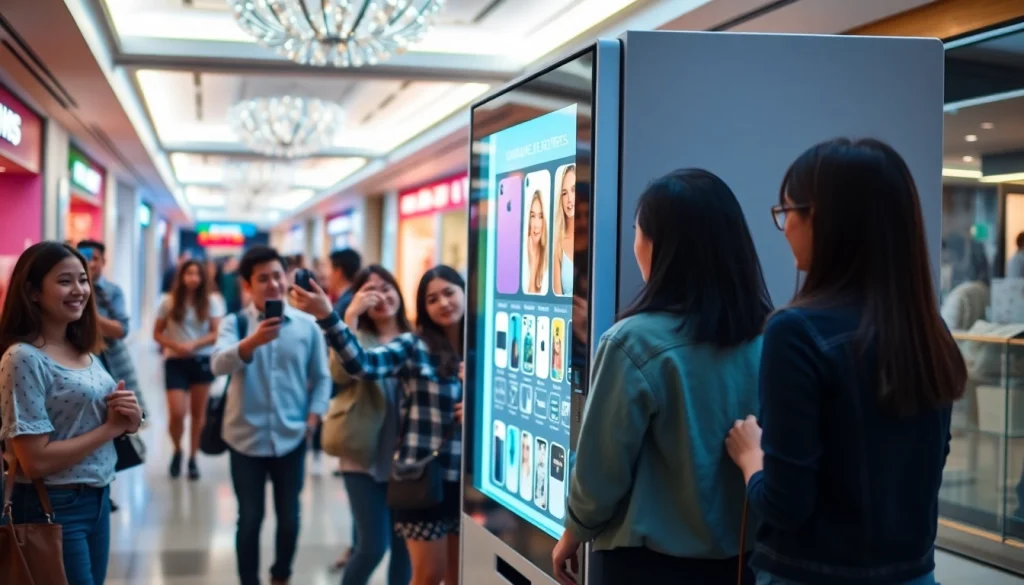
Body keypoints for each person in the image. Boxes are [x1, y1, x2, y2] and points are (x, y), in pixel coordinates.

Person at [725, 138, 967, 585]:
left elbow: (784, 503)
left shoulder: (795, 332)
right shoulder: (928, 330)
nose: (784, 229)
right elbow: (929, 462)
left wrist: (751, 456)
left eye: (787, 212)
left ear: (822, 218)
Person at [551, 169, 771, 585]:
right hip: (747, 561)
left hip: (648, 566)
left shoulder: (632, 343)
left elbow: (602, 471)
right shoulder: (770, 335)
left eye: (639, 230)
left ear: (660, 245)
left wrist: (574, 530)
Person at [290, 265, 464, 585]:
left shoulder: (485, 350)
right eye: (432, 298)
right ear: (424, 308)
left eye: (449, 293)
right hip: (419, 474)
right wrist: (332, 316)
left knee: (456, 576)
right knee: (425, 573)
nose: (443, 303)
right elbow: (360, 365)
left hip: (464, 481)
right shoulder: (414, 345)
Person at [0, 241, 143, 585]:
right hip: (50, 505)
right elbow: (34, 460)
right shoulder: (23, 358)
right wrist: (110, 429)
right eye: (65, 281)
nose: (79, 290)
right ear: (33, 292)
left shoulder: (82, 347)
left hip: (97, 498)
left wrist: (129, 421)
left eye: (83, 279)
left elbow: (88, 420)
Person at [210, 246, 332, 585]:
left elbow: (322, 378)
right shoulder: (235, 323)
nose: (274, 284)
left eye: (278, 275)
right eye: (263, 278)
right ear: (248, 285)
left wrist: (314, 418)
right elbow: (217, 364)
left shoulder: (307, 327)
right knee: (249, 518)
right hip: (244, 437)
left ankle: (281, 575)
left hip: (292, 437)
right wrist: (251, 343)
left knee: (290, 517)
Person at [329, 265, 413, 585]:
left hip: (407, 458)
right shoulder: (356, 337)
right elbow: (339, 375)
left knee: (405, 547)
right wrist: (348, 317)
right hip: (362, 455)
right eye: (370, 290)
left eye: (387, 287)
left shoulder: (415, 337)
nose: (380, 296)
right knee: (372, 547)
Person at [153, 259, 225, 480]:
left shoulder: (212, 301)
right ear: (181, 276)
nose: (193, 278)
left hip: (201, 361)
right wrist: (176, 346)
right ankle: (177, 450)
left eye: (197, 274)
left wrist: (193, 345)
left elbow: (216, 333)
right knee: (177, 413)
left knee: (198, 415)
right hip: (175, 361)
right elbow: (157, 333)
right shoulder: (168, 301)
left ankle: (193, 457)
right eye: (189, 273)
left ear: (203, 277)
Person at [552, 164, 576, 296]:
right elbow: (557, 299)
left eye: (574, 190)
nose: (569, 199)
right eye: (564, 193)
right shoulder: (558, 244)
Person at [524, 191, 548, 294]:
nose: (536, 225)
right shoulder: (522, 255)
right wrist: (533, 264)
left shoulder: (548, 257)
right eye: (533, 216)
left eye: (540, 216)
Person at [329, 248, 362, 317]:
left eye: (329, 268)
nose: (326, 274)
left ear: (338, 272)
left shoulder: (346, 302)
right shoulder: (352, 295)